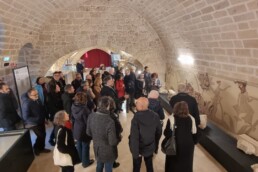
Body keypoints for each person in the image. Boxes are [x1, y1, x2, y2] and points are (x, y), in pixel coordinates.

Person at [129, 97, 162, 172]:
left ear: (141, 106)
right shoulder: (155, 116)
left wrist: (135, 153)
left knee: (136, 168)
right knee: (149, 165)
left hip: (139, 148)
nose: (135, 105)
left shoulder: (136, 118)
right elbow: (159, 132)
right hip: (150, 147)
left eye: (136, 104)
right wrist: (155, 145)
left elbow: (134, 137)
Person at [87, 96, 118, 172]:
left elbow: (88, 132)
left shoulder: (91, 116)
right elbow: (112, 141)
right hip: (108, 151)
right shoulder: (110, 121)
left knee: (99, 165)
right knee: (108, 168)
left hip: (97, 148)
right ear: (108, 105)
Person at [164, 101, 197, 172]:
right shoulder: (192, 118)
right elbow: (194, 132)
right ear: (187, 109)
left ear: (175, 108)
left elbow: (167, 133)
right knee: (186, 163)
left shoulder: (172, 118)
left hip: (175, 145)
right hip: (188, 145)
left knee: (173, 164)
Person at [21, 88, 50, 155]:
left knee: (43, 135)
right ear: (29, 95)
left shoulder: (37, 99)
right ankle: (36, 149)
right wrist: (37, 119)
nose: (37, 95)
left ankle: (42, 148)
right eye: (34, 95)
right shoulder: (26, 103)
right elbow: (25, 117)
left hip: (41, 121)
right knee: (40, 136)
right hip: (34, 123)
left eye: (37, 94)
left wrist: (45, 118)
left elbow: (42, 109)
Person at [71, 92, 94, 168]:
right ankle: (86, 163)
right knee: (85, 146)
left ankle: (80, 159)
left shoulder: (73, 105)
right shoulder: (84, 109)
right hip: (84, 130)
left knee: (79, 144)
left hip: (77, 128)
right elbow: (88, 122)